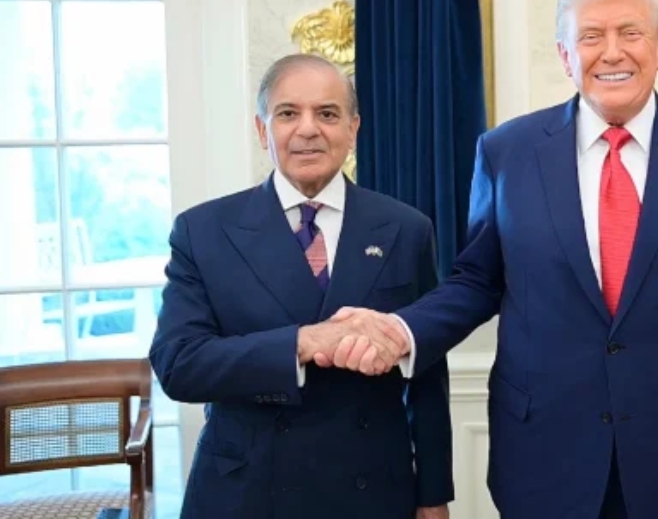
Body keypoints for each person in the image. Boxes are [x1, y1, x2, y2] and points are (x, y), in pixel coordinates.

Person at [331, 0, 658, 518]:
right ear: (566, 56)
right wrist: (400, 331)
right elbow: (477, 281)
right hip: (543, 454)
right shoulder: (506, 152)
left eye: (631, 33)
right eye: (590, 36)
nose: (611, 52)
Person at [149, 54, 453, 519]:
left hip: (373, 491)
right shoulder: (203, 230)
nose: (308, 129)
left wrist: (433, 495)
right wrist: (304, 343)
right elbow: (178, 364)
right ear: (262, 129)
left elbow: (427, 373)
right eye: (288, 113)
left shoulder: (406, 228)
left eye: (327, 114)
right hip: (248, 492)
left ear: (353, 128)